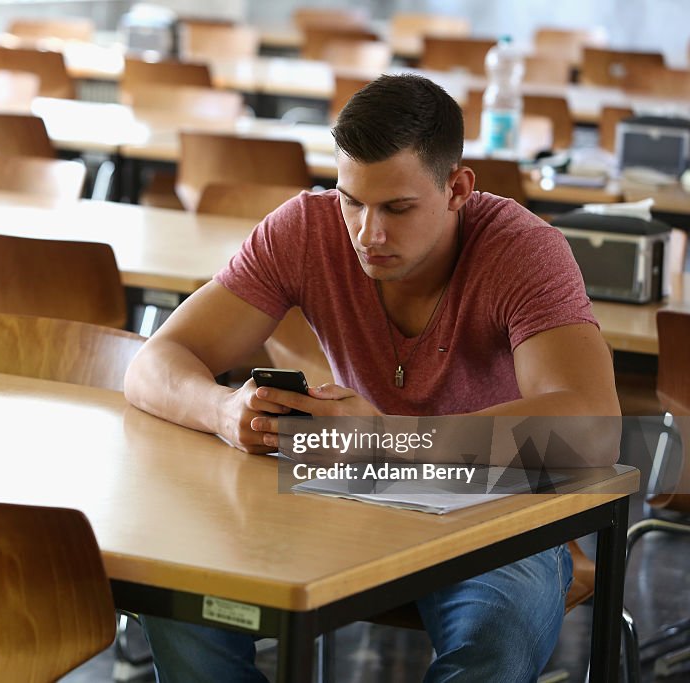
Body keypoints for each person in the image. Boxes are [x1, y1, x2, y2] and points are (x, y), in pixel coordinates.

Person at [123, 74, 621, 682]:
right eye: (352, 201)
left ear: (458, 188)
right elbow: (153, 362)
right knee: (179, 590)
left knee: (495, 636)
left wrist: (388, 439)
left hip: (493, 507)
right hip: (346, 497)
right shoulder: (306, 228)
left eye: (398, 208)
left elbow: (593, 431)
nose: (368, 233)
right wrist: (224, 410)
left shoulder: (524, 251)